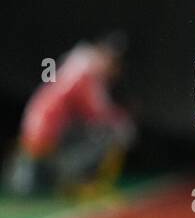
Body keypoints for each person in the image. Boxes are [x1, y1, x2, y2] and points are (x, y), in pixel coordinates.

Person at [10, 33, 134, 197]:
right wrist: (123, 119)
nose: (114, 68)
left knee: (29, 186)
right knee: (115, 132)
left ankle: (43, 173)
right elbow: (98, 114)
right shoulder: (85, 74)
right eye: (112, 61)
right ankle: (67, 176)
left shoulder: (74, 65)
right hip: (48, 138)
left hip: (35, 133)